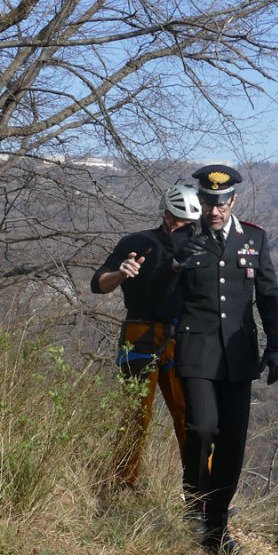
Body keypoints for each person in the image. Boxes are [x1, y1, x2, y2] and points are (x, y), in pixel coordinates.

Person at [165, 164, 278, 553]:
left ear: (233, 200)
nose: (213, 210)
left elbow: (269, 297)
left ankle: (216, 528)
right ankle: (196, 503)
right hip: (196, 351)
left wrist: (277, 346)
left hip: (238, 356)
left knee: (233, 442)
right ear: (199, 199)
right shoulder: (183, 240)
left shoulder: (255, 239)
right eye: (207, 202)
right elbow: (166, 293)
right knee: (202, 429)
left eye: (220, 203)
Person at [90, 183, 201, 487]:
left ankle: (201, 489)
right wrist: (121, 274)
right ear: (165, 214)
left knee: (189, 416)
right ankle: (123, 482)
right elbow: (98, 283)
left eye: (189, 223)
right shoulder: (138, 242)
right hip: (141, 331)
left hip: (182, 335)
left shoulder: (201, 247)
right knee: (134, 415)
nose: (182, 228)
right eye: (176, 219)